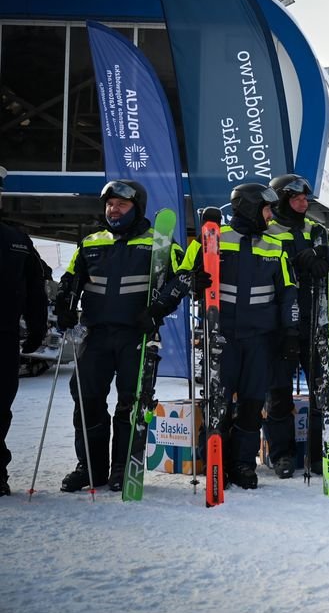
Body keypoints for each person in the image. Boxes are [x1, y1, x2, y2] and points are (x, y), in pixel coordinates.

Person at [55, 180, 189, 493]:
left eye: (122, 205)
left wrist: (158, 308)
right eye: (110, 204)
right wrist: (64, 303)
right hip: (95, 335)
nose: (114, 210)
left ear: (137, 208)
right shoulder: (91, 242)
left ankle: (122, 468)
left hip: (136, 336)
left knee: (131, 403)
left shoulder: (159, 242)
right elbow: (70, 278)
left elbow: (182, 277)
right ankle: (90, 467)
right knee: (86, 399)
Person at [185, 183, 298, 490]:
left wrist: (290, 331)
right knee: (217, 402)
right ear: (250, 208)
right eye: (266, 209)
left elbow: (288, 293)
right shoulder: (212, 237)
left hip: (260, 340)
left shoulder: (274, 246)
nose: (271, 215)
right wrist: (193, 280)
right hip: (222, 337)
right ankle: (215, 460)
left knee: (252, 403)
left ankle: (243, 463)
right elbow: (181, 275)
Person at [264, 174, 329, 479]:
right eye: (297, 199)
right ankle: (282, 455)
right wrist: (295, 261)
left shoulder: (318, 231)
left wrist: (323, 252)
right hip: (279, 324)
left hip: (317, 321)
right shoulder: (268, 231)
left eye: (306, 199)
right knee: (279, 393)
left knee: (323, 391)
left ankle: (321, 454)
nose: (304, 204)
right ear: (281, 201)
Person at [0, 165, 48, 496]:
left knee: (0, 407)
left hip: (4, 339)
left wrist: (37, 326)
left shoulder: (17, 240)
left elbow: (35, 288)